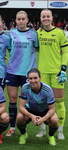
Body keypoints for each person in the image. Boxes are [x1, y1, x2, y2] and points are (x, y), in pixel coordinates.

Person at [36, 9, 68, 140]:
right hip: (42, 72)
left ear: (52, 18)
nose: (46, 19)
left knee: (59, 102)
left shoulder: (60, 33)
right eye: (43, 17)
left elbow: (66, 52)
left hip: (56, 73)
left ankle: (60, 130)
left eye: (48, 16)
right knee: (43, 102)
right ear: (40, 18)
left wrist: (63, 69)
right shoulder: (38, 33)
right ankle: (42, 128)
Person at [5, 10, 39, 136]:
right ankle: (12, 128)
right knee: (13, 99)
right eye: (18, 19)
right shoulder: (11, 33)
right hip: (13, 71)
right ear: (15, 20)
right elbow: (8, 48)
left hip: (28, 73)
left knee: (30, 101)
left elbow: (38, 48)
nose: (20, 21)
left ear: (27, 20)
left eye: (22, 19)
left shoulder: (33, 34)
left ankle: (30, 126)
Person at [17, 68, 58, 146]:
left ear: (40, 78)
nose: (33, 81)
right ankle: (23, 134)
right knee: (19, 117)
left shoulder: (47, 89)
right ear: (28, 79)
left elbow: (52, 109)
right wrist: (31, 116)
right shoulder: (25, 88)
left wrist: (43, 119)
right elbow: (21, 107)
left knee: (54, 119)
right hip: (31, 110)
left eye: (35, 78)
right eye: (30, 78)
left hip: (44, 110)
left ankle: (51, 136)